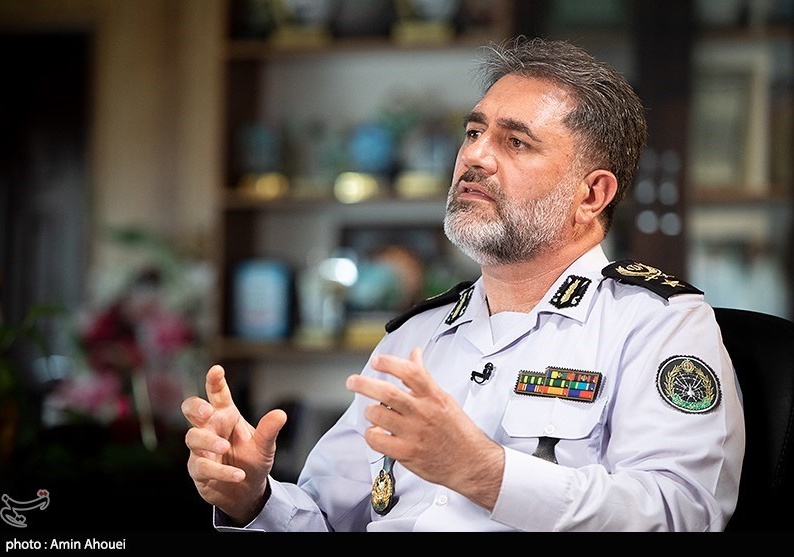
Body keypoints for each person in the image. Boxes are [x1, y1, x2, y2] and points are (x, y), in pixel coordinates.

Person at [182, 36, 745, 532]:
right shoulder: (415, 336)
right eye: (474, 132)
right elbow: (329, 519)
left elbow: (682, 513)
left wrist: (485, 473)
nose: (474, 156)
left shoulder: (657, 323)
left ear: (591, 195)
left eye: (515, 142)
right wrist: (253, 498)